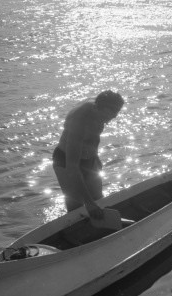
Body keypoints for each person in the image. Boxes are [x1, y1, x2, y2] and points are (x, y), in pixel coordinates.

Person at [52, 90, 124, 219]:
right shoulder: (79, 123)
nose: (115, 116)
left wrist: (95, 158)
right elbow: (72, 167)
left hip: (89, 159)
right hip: (66, 161)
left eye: (117, 111)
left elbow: (94, 136)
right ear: (99, 107)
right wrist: (88, 203)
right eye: (112, 111)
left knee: (98, 199)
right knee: (76, 206)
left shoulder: (99, 111)